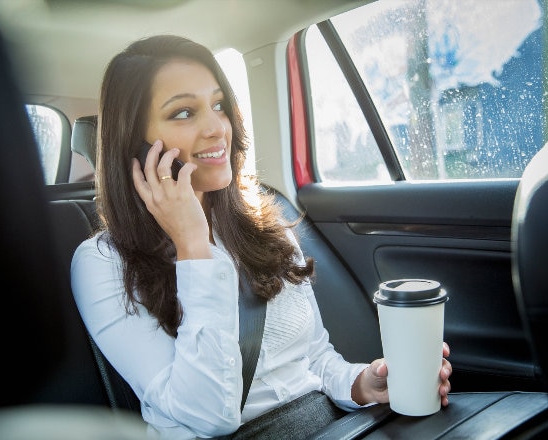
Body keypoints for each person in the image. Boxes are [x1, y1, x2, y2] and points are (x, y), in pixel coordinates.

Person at [71, 35, 452, 439]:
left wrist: (364, 385)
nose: (217, 128)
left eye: (218, 105)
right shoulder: (103, 262)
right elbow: (209, 415)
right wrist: (193, 248)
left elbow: (315, 359)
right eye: (183, 112)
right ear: (135, 141)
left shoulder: (262, 224)